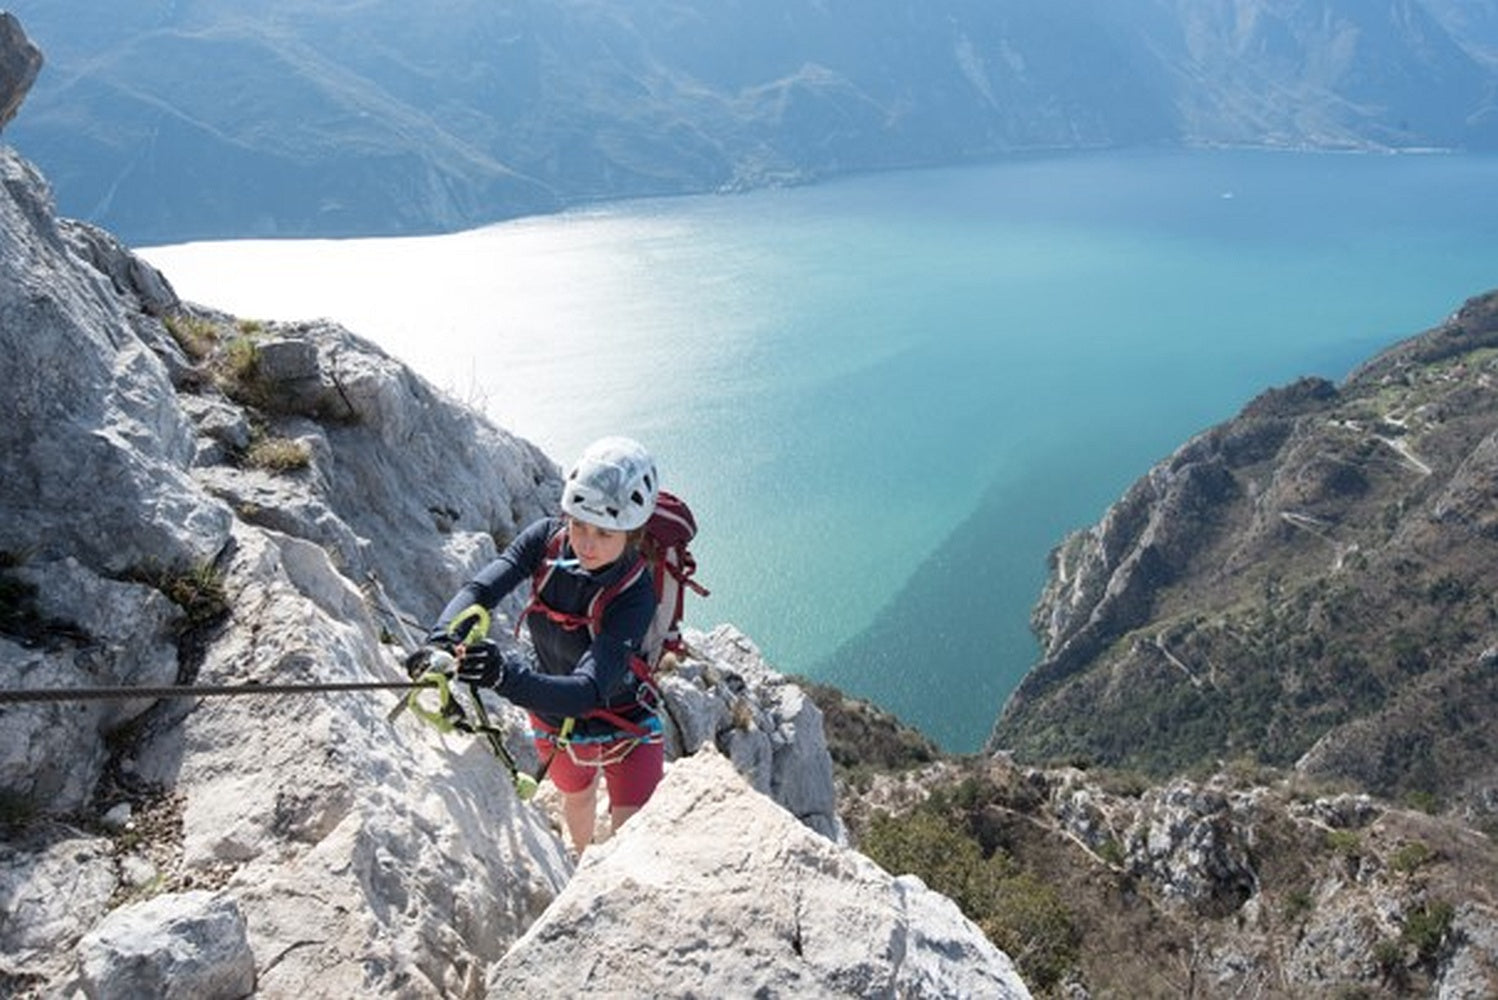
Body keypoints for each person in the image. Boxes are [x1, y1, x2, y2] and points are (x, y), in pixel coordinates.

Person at [418, 436, 664, 856]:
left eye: (605, 533)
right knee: (578, 797)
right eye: (579, 524)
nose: (586, 543)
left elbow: (588, 689)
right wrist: (441, 641)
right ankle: (581, 864)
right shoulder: (545, 541)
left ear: (632, 534)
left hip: (626, 720)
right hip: (552, 710)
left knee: (630, 840)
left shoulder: (635, 591)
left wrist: (504, 677)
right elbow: (482, 588)